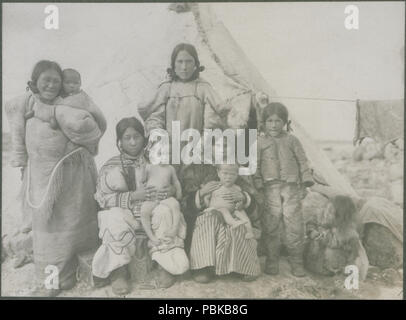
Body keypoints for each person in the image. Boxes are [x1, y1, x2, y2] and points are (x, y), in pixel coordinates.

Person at [140, 43, 260, 283]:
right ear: (173, 65)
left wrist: (206, 142)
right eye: (179, 62)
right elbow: (152, 115)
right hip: (170, 151)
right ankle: (170, 258)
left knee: (198, 200)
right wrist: (159, 139)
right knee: (170, 202)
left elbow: (218, 113)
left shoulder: (203, 87)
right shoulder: (166, 88)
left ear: (196, 64)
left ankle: (200, 261)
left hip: (197, 150)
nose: (184, 67)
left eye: (189, 62)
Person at [5, 60, 106, 296]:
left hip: (73, 180)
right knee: (49, 231)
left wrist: (54, 113)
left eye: (56, 81)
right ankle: (54, 279)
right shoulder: (27, 104)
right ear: (35, 83)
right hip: (42, 180)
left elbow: (93, 127)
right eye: (46, 80)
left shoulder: (69, 104)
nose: (51, 85)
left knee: (73, 224)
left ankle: (71, 272)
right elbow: (15, 123)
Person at [92, 117, 176, 295]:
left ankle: (164, 265)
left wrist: (170, 191)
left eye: (136, 136)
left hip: (151, 213)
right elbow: (102, 199)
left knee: (166, 210)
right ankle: (119, 271)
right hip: (127, 218)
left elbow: (173, 184)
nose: (132, 141)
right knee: (111, 216)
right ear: (119, 142)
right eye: (127, 137)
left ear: (144, 139)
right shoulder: (111, 165)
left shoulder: (156, 161)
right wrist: (132, 196)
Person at [254, 102, 314, 277]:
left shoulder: (292, 140)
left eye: (278, 121)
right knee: (271, 224)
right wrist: (258, 184)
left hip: (290, 187)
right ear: (264, 123)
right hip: (270, 188)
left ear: (285, 122)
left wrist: (306, 181)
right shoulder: (259, 142)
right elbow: (255, 165)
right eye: (270, 121)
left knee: (294, 224)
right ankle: (272, 260)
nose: (274, 125)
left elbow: (303, 161)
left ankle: (297, 261)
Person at [139, 152, 189, 276]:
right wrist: (142, 168)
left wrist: (178, 192)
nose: (162, 157)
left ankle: (174, 229)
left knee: (175, 205)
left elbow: (176, 182)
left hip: (166, 198)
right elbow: (142, 180)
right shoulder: (149, 167)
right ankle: (151, 236)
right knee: (144, 211)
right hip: (151, 198)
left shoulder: (170, 168)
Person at [202, 164, 254, 239]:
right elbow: (206, 197)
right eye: (225, 173)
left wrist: (240, 204)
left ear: (237, 175)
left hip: (233, 211)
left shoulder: (237, 188)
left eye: (232, 174)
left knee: (242, 213)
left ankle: (249, 231)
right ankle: (233, 223)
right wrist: (207, 203)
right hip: (217, 211)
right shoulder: (215, 186)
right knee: (224, 210)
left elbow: (240, 199)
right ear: (218, 173)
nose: (229, 177)